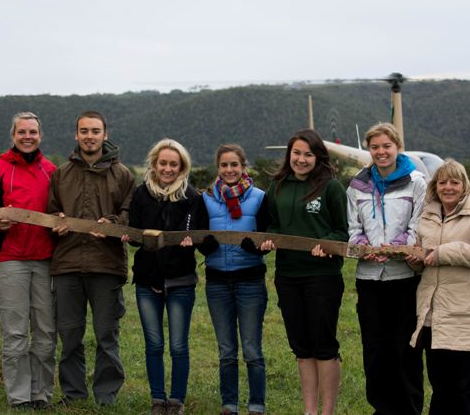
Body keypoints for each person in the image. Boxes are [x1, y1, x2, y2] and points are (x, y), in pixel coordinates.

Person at [48, 110, 136, 407]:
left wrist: (112, 223)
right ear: (76, 135)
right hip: (67, 264)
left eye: (95, 131)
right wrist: (55, 220)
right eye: (84, 131)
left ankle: (106, 396)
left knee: (106, 336)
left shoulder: (123, 174)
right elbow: (50, 210)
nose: (89, 136)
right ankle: (73, 395)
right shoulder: (61, 173)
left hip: (106, 265)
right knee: (70, 336)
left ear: (105, 135)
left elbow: (129, 213)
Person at [260, 129, 348, 415]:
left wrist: (328, 245)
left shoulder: (331, 187)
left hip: (322, 276)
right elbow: (272, 223)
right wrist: (271, 237)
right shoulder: (277, 186)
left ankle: (328, 411)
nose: (301, 159)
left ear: (318, 156)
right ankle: (310, 411)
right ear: (289, 155)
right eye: (296, 153)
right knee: (301, 348)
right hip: (288, 276)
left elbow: (342, 231)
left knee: (323, 346)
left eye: (308, 154)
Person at [346, 122, 426, 414]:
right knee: (375, 348)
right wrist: (365, 248)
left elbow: (419, 225)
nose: (381, 152)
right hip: (369, 278)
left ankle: (409, 408)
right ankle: (382, 407)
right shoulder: (357, 183)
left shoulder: (416, 182)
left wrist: (393, 250)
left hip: (403, 276)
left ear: (397, 147)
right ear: (369, 149)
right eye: (375, 147)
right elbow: (353, 228)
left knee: (405, 348)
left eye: (386, 146)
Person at [121, 139, 204, 415]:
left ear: (182, 167)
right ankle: (158, 400)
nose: (167, 168)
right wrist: (128, 235)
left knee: (179, 345)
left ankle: (177, 401)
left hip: (180, 280)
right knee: (154, 343)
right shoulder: (141, 194)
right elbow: (135, 236)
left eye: (173, 164)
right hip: (147, 280)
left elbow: (195, 233)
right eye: (163, 163)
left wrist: (190, 240)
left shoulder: (191, 196)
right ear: (154, 164)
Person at [408, 159, 470, 415]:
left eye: (454, 182)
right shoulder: (427, 216)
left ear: (464, 186)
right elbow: (423, 258)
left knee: (469, 389)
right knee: (441, 386)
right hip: (432, 315)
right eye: (443, 182)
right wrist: (416, 261)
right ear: (435, 186)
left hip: (464, 313)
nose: (448, 187)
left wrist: (441, 252)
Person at [0, 112, 57, 409]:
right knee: (14, 332)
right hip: (10, 259)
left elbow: (59, 210)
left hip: (46, 259)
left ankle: (41, 394)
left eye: (33, 132)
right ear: (13, 135)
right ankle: (19, 397)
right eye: (22, 131)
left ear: (41, 135)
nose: (28, 136)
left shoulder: (51, 170)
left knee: (45, 332)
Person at [198, 144, 270, 415]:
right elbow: (198, 235)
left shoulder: (260, 197)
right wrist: (203, 246)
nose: (229, 170)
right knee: (226, 350)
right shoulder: (205, 199)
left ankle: (256, 404)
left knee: (252, 349)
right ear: (218, 168)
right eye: (224, 165)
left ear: (243, 167)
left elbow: (268, 234)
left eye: (234, 165)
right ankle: (229, 404)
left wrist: (259, 246)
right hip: (217, 282)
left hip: (250, 281)